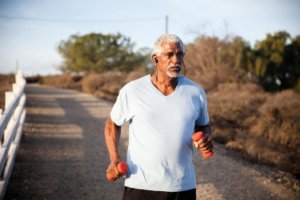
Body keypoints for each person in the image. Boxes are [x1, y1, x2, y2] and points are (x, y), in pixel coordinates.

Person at [104, 34, 213, 200]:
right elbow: (113, 123)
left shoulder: (195, 92)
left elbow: (203, 125)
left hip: (182, 186)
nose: (176, 60)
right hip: (140, 184)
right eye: (170, 54)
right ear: (155, 58)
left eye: (180, 54)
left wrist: (205, 139)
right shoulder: (132, 90)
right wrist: (114, 159)